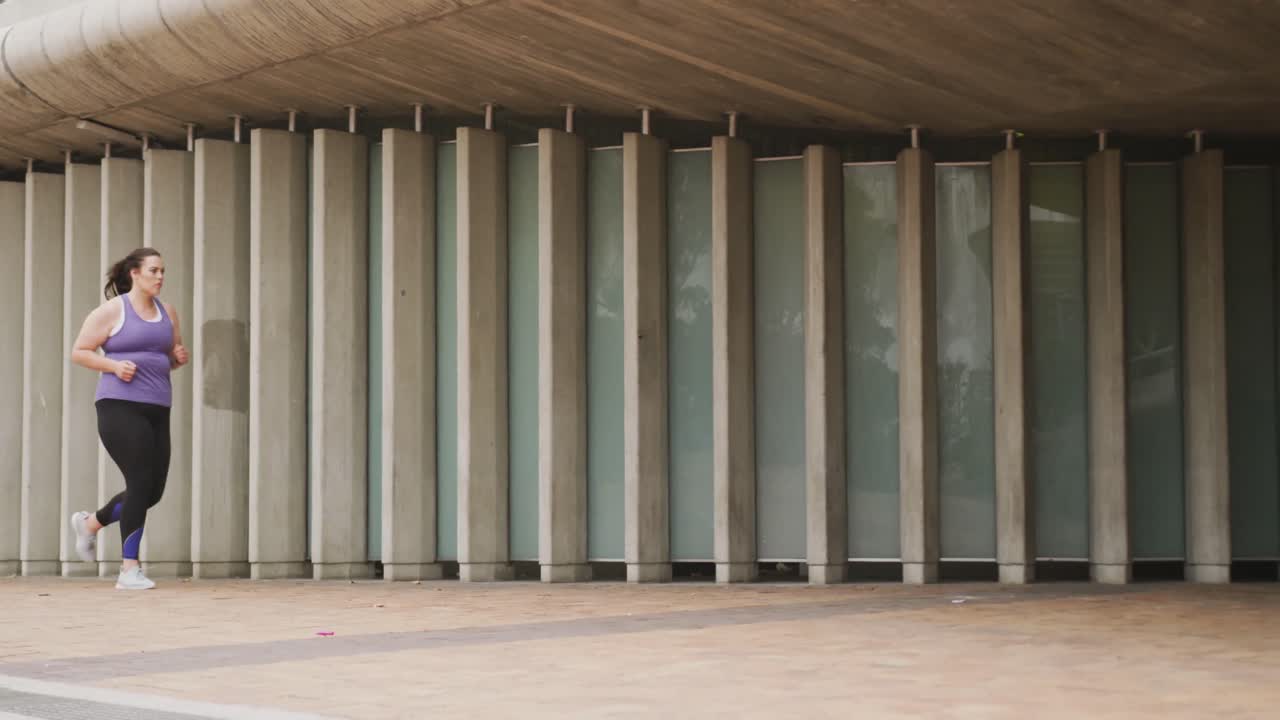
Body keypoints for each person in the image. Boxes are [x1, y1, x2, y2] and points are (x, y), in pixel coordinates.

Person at [67, 248, 189, 590]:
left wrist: (178, 358)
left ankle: (91, 524)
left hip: (158, 407)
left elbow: (167, 358)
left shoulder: (169, 312)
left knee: (152, 492)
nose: (160, 277)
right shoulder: (112, 311)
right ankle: (128, 569)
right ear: (134, 274)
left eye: (163, 270)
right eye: (153, 270)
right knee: (139, 483)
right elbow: (79, 351)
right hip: (118, 405)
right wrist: (113, 366)